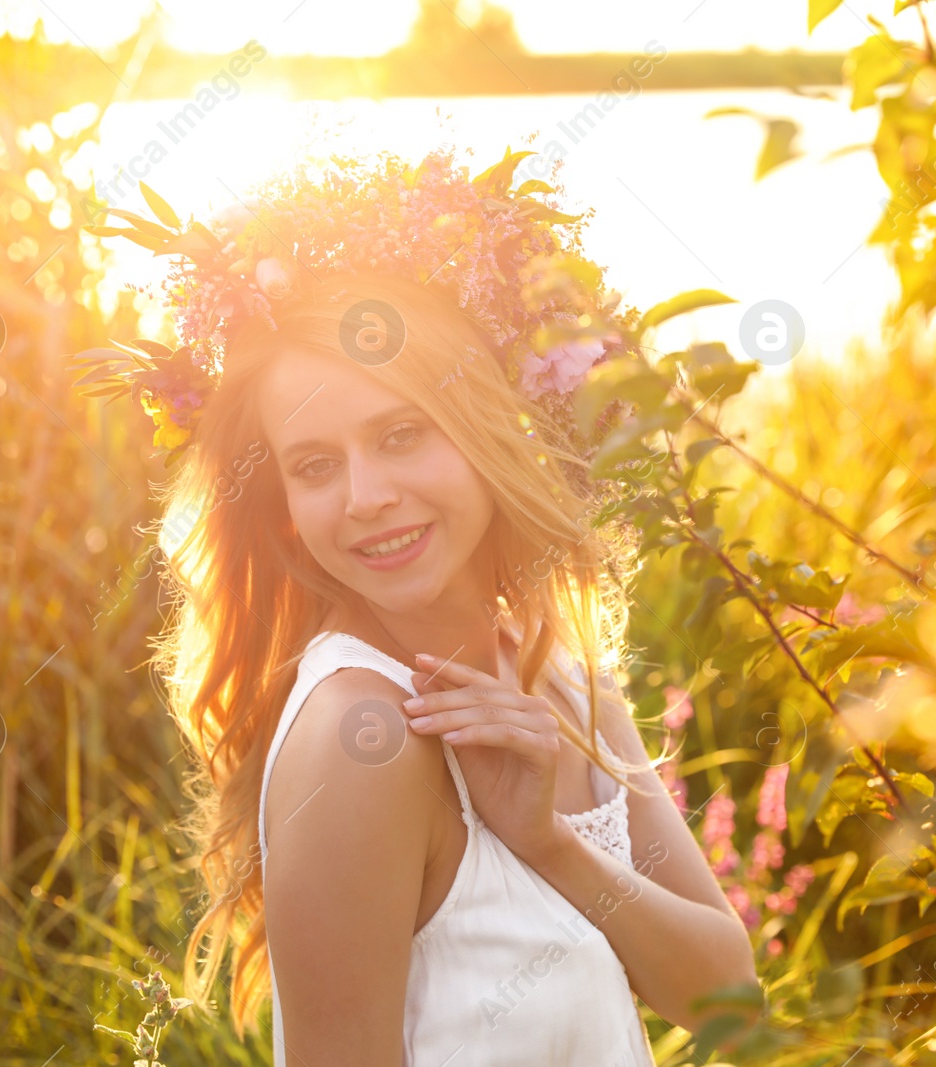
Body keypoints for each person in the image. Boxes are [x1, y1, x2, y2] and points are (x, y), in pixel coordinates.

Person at [77, 147, 759, 1065]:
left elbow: (728, 1004)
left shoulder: (558, 668)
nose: (365, 495)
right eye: (316, 464)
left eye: (400, 435)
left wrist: (549, 844)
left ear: (482, 429)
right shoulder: (364, 732)